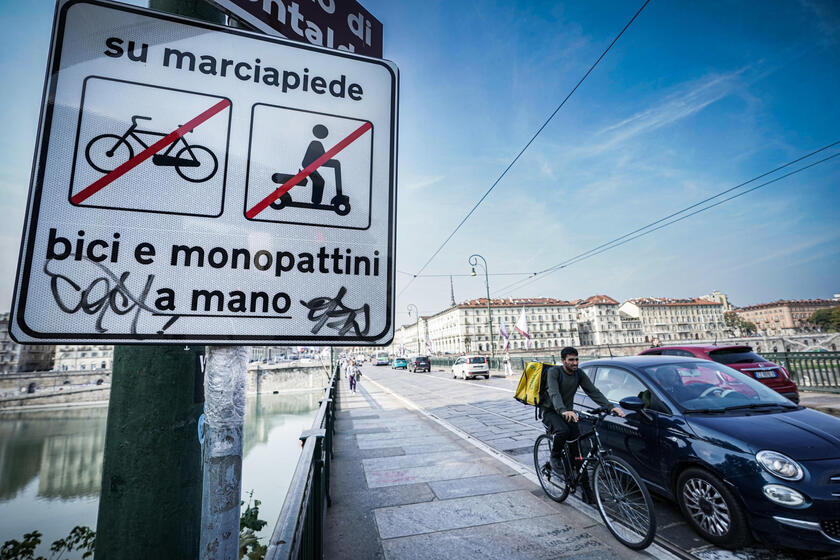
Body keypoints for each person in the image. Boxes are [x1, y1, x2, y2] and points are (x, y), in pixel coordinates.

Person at [542, 347, 625, 489]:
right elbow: (554, 393)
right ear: (563, 361)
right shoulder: (554, 372)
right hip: (551, 411)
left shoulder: (578, 374)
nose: (575, 363)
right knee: (563, 432)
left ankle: (585, 488)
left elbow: (593, 391)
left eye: (576, 359)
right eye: (571, 360)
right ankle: (555, 457)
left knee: (577, 449)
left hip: (569, 412)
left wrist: (611, 407)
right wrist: (563, 410)